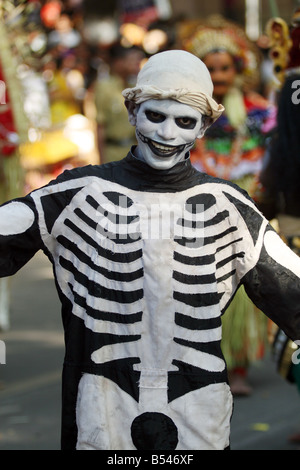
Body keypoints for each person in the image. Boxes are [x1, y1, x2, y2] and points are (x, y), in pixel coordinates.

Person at [1, 49, 300, 451]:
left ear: (203, 128)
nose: (167, 134)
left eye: (184, 122)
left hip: (199, 398)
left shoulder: (230, 206)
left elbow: (290, 287)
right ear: (132, 112)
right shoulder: (74, 193)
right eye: (154, 116)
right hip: (101, 396)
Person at [183, 16, 277, 395]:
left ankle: (237, 367)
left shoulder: (257, 113)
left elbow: (271, 160)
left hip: (244, 206)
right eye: (210, 69)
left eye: (225, 68)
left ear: (238, 69)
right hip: (195, 206)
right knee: (196, 287)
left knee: (241, 288)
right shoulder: (188, 112)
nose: (218, 75)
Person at [94, 43, 144, 164]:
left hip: (134, 152)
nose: (137, 64)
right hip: (113, 153)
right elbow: (100, 127)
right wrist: (102, 162)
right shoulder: (104, 87)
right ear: (119, 62)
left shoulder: (135, 87)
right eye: (133, 60)